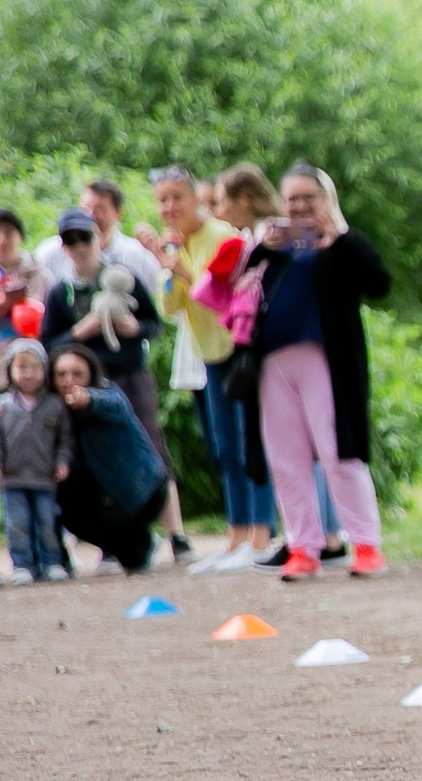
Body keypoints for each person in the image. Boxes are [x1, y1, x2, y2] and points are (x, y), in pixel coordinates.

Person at [230, 162, 390, 581]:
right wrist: (263, 249)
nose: (300, 206)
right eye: (292, 198)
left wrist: (339, 237)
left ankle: (366, 544)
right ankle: (303, 547)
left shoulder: (340, 243)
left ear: (325, 199)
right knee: (286, 459)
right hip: (272, 364)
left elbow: (380, 283)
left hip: (324, 359)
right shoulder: (272, 246)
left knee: (339, 452)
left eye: (308, 197)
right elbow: (235, 292)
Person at [38, 208, 189, 564]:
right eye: (69, 240)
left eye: (84, 237)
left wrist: (134, 329)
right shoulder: (62, 293)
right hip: (83, 385)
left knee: (152, 447)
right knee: (93, 458)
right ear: (63, 247)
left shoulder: (125, 277)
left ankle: (176, 535)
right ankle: (119, 537)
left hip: (129, 375)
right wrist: (82, 331)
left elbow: (154, 324)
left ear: (97, 238)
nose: (78, 246)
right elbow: (49, 344)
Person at [147, 165, 265, 571]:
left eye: (177, 197)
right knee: (224, 448)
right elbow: (170, 306)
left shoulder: (221, 235)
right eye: (162, 200)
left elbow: (222, 294)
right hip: (208, 353)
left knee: (251, 444)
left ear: (196, 197)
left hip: (239, 349)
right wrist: (165, 264)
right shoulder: (181, 242)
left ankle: (260, 536)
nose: (169, 207)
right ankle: (236, 537)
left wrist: (179, 268)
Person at [50, 343, 166, 576]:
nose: (69, 380)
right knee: (57, 500)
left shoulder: (109, 394)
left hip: (141, 490)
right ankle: (136, 546)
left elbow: (113, 404)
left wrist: (88, 398)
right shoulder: (53, 410)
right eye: (61, 374)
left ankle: (137, 539)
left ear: (91, 373)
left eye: (77, 373)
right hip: (102, 495)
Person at [0, 337, 72, 583]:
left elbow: (65, 439)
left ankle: (51, 562)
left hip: (44, 477)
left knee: (47, 522)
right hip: (13, 478)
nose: (28, 374)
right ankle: (23, 565)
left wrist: (62, 461)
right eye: (22, 367)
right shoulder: (4, 406)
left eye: (35, 367)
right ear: (10, 369)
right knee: (17, 524)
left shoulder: (55, 405)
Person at [35, 180, 164, 297]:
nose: (91, 214)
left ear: (118, 213)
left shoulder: (136, 254)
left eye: (99, 209)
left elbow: (157, 295)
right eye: (86, 207)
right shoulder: (50, 251)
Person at [0, 210, 41, 334]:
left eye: (8, 232)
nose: (2, 241)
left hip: (25, 342)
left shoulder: (38, 274)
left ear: (20, 236)